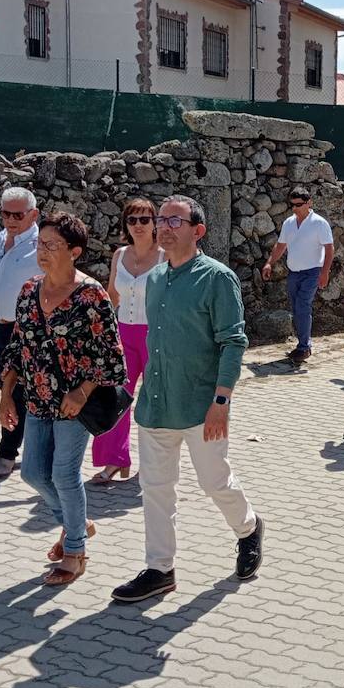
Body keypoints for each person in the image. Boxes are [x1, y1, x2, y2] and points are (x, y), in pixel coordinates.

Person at [111, 196, 264, 603]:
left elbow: (233, 342)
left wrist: (222, 401)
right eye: (161, 219)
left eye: (174, 220)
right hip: (157, 405)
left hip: (201, 406)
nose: (164, 226)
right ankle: (160, 568)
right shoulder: (156, 278)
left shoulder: (217, 278)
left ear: (198, 230)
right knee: (157, 489)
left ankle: (248, 528)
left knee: (215, 482)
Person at [0, 212, 127, 586]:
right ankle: (78, 524)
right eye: (41, 244)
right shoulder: (28, 291)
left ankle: (75, 552)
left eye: (52, 246)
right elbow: (18, 347)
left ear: (75, 251)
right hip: (37, 399)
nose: (43, 251)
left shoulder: (92, 295)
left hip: (76, 403)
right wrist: (6, 395)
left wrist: (82, 390)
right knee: (32, 472)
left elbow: (112, 356)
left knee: (63, 474)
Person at [89, 197, 164, 484]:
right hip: (122, 335)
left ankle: (154, 463)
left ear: (154, 223)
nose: (138, 225)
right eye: (132, 220)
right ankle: (114, 460)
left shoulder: (163, 256)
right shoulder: (119, 255)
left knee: (154, 401)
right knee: (115, 397)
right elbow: (111, 296)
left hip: (154, 336)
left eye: (145, 219)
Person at [0, 186, 42, 479]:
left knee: (14, 389)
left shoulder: (41, 245)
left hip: (28, 330)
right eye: (5, 213)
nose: (10, 219)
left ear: (34, 214)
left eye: (17, 214)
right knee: (7, 387)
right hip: (2, 326)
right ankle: (27, 447)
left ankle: (6, 453)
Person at [262, 185, 334, 363]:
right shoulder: (288, 223)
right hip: (293, 272)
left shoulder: (319, 223)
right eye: (292, 205)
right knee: (296, 308)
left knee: (302, 306)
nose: (294, 208)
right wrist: (269, 263)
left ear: (309, 203)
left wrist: (324, 273)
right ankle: (302, 344)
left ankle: (304, 347)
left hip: (312, 272)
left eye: (298, 204)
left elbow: (329, 248)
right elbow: (280, 246)